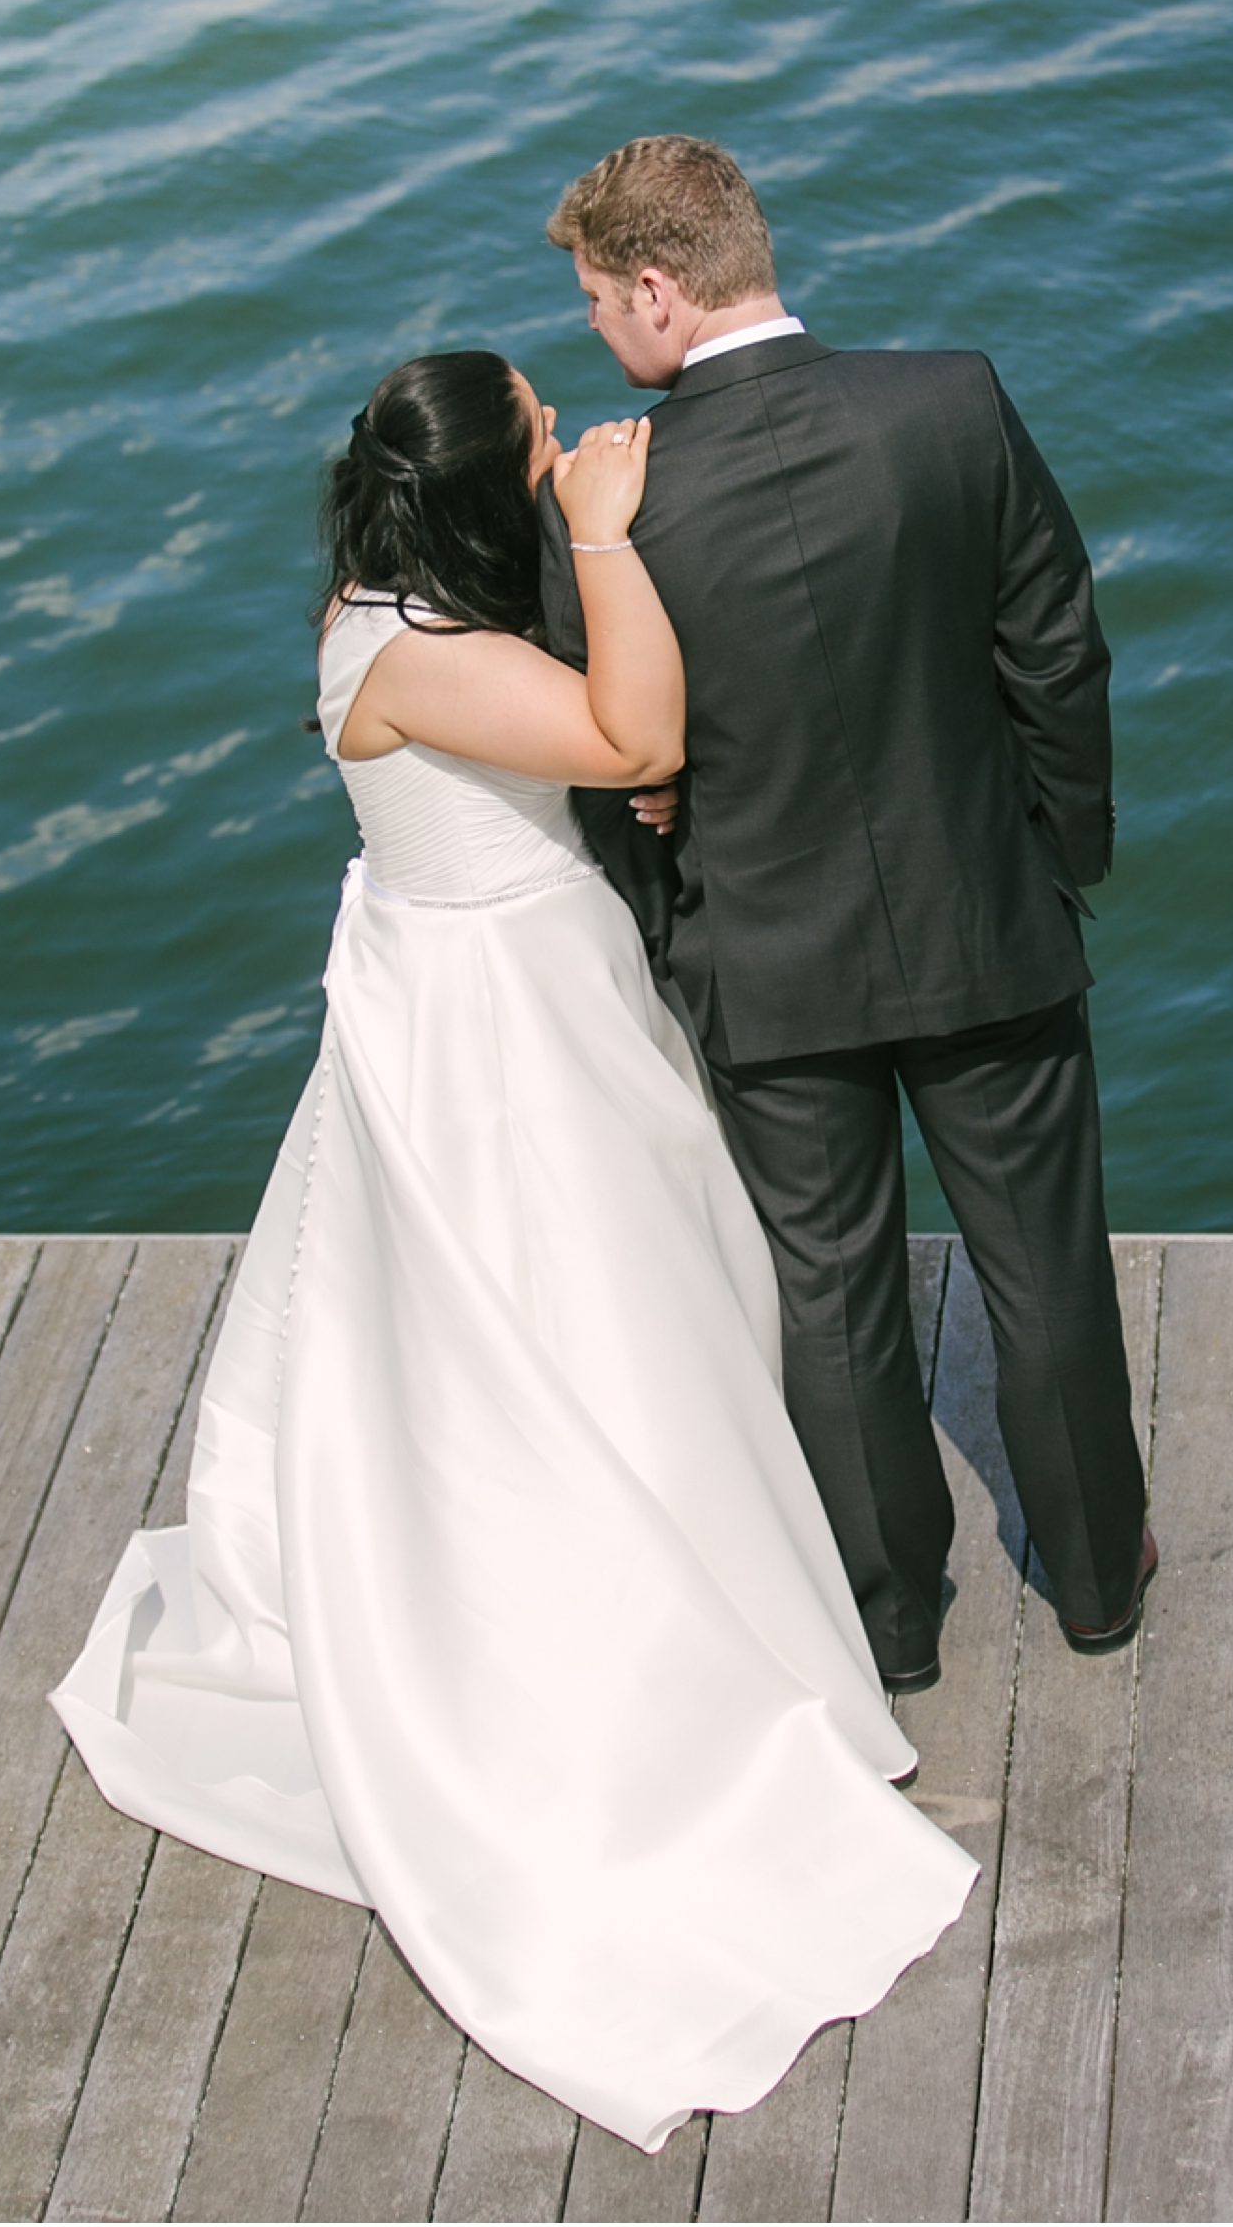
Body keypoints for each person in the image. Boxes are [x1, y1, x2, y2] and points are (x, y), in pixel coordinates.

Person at [48, 351, 977, 2157]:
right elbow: (637, 741)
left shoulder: (384, 606)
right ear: (491, 481)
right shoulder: (426, 654)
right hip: (497, 1020)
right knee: (572, 1317)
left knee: (588, 1301)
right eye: (543, 431)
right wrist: (608, 532)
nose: (567, 440)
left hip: (462, 966)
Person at [539, 136, 1156, 1692]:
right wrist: (1059, 853)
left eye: (602, 307)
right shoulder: (951, 402)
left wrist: (672, 902)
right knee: (1046, 1265)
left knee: (832, 1297)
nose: (601, 339)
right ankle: (1095, 1579)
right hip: (988, 922)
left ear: (661, 291)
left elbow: (613, 754)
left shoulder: (605, 510)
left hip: (764, 957)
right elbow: (1058, 654)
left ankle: (893, 1616)